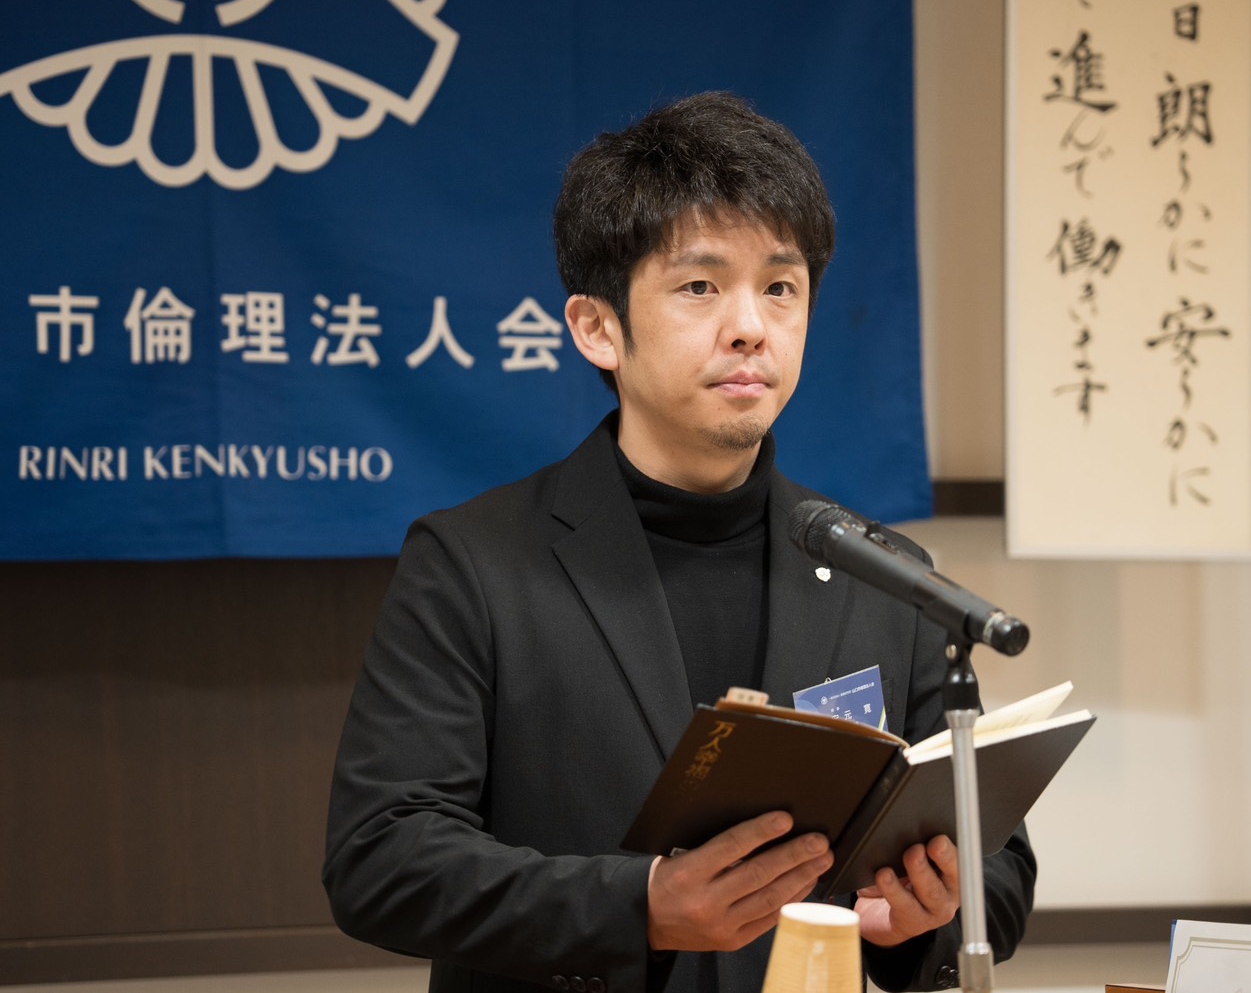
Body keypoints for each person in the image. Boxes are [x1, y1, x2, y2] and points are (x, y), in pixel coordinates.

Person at [322, 92, 1035, 993]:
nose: (750, 326)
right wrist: (641, 906)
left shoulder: (883, 574)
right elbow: (380, 858)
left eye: (779, 288)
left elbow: (1000, 870)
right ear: (597, 328)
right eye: (700, 286)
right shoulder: (472, 562)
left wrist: (920, 918)